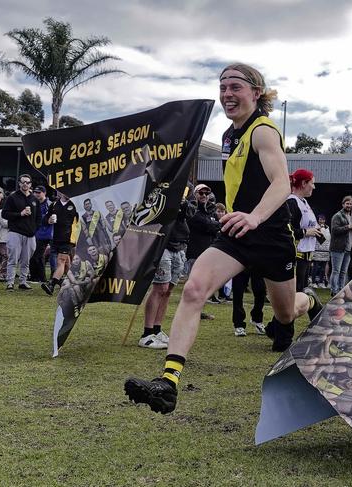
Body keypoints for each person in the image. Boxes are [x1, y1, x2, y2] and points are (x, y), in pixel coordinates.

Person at [124, 62, 322, 414]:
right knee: (194, 289)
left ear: (255, 93)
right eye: (223, 87)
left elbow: (281, 182)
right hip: (236, 232)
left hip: (272, 235)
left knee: (287, 313)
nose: (227, 94)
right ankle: (168, 383)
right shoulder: (231, 136)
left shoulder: (263, 131)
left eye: (235, 87)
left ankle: (311, 302)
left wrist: (255, 216)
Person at [138, 197, 193, 348]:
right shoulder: (162, 192)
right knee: (159, 288)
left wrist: (184, 203)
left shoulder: (186, 192)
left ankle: (157, 329)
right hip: (163, 245)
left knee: (168, 290)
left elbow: (190, 214)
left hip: (180, 245)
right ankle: (147, 333)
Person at [2, 174, 41, 291]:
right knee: (13, 259)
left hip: (30, 234)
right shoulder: (12, 197)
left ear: (30, 185)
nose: (25, 184)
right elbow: (4, 214)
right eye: (23, 182)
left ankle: (23, 281)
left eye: (28, 182)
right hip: (15, 232)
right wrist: (20, 214)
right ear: (19, 183)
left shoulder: (34, 199)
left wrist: (35, 229)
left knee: (26, 260)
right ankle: (10, 282)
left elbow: (39, 217)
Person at [287, 169, 320, 292]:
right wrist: (306, 232)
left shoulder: (304, 202)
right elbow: (286, 231)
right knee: (295, 294)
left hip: (306, 256)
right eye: (312, 183)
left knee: (302, 293)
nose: (314, 187)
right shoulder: (292, 202)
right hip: (297, 256)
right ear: (304, 183)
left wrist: (316, 230)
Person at [41, 192, 79, 296]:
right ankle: (74, 284)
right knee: (66, 264)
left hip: (68, 238)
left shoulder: (75, 204)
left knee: (60, 261)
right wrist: (49, 220)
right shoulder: (54, 205)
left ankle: (51, 284)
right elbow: (45, 218)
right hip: (56, 237)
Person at [329, 195, 352, 297]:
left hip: (348, 248)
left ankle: (341, 290)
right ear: (343, 204)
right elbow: (334, 230)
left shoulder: (351, 217)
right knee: (336, 271)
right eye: (347, 203)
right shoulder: (337, 216)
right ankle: (334, 291)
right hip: (337, 248)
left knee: (344, 272)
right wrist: (348, 227)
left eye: (351, 204)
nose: (349, 205)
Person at [29, 186, 53, 283]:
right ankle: (34, 276)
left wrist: (35, 217)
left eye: (39, 192)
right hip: (35, 232)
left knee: (38, 256)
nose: (37, 194)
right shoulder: (34, 203)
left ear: (44, 193)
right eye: (35, 192)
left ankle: (42, 278)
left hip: (44, 234)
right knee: (33, 255)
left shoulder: (49, 204)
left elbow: (49, 218)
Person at [311, 214, 330, 288]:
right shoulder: (315, 227)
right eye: (320, 219)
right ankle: (313, 282)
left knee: (323, 267)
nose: (321, 221)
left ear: (325, 220)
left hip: (325, 250)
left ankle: (321, 282)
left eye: (323, 219)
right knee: (315, 267)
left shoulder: (328, 228)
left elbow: (328, 239)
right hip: (317, 250)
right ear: (318, 220)